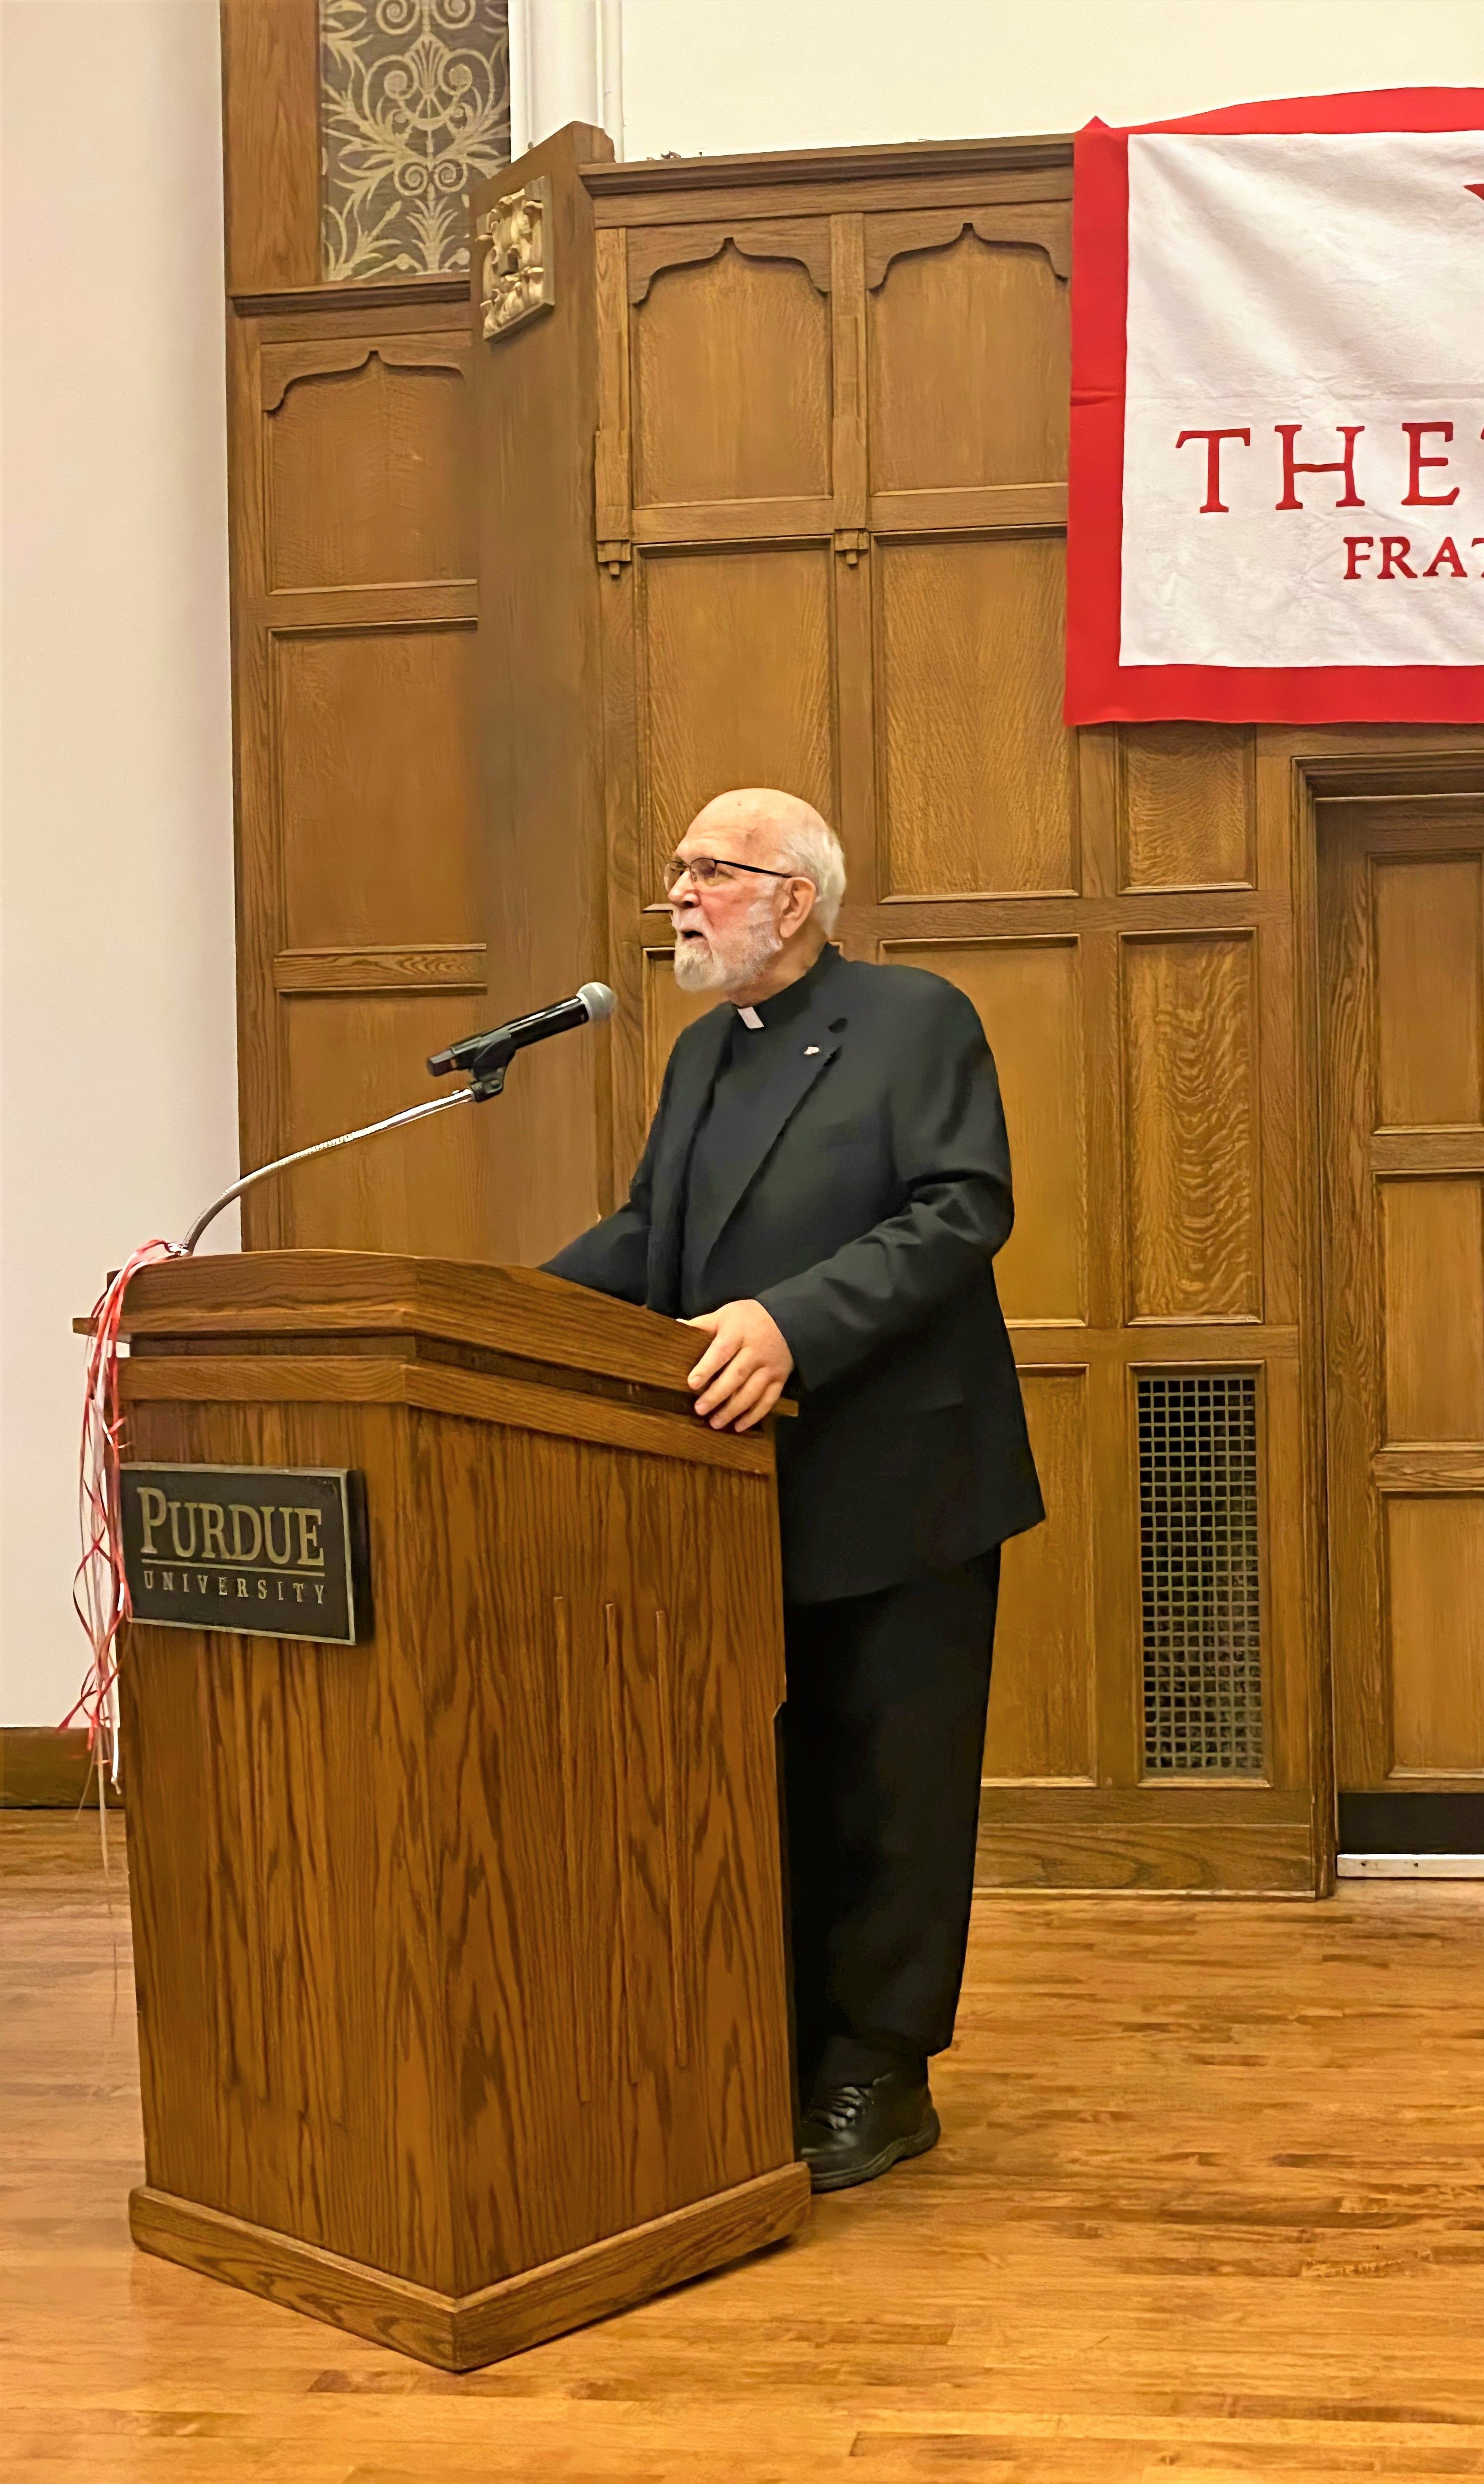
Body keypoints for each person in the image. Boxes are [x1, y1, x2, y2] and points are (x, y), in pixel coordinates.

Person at [544, 786, 1044, 2191]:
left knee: (893, 1785)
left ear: (796, 896)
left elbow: (961, 1210)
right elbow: (651, 1235)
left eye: (715, 870)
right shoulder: (703, 1054)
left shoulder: (913, 1018)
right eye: (679, 871)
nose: (682, 896)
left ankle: (881, 2074)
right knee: (770, 1784)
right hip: (734, 1486)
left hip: (902, 1476)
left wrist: (788, 1323)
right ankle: (776, 2046)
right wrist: (490, 1311)